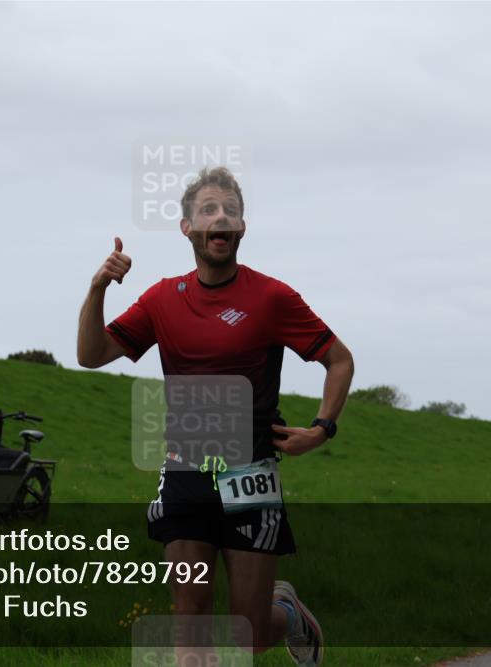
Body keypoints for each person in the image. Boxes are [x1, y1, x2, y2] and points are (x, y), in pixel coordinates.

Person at [77, 167, 354, 666]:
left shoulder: (272, 298)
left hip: (250, 472)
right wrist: (98, 287)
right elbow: (91, 353)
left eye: (230, 210)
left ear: (243, 227)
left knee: (247, 636)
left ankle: (288, 613)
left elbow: (339, 359)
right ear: (187, 227)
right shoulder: (163, 298)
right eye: (208, 209)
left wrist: (321, 429)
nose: (220, 217)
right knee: (190, 617)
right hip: (185, 469)